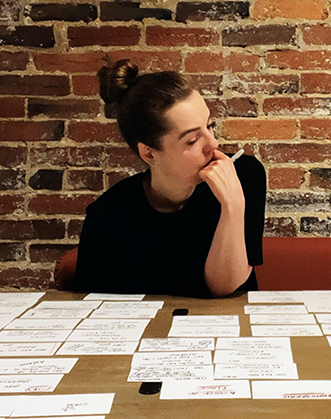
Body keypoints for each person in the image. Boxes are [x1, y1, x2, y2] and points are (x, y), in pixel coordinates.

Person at [74, 60, 266, 298]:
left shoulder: (244, 175)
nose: (213, 144)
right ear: (149, 153)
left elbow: (225, 286)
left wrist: (233, 206)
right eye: (193, 140)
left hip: (230, 329)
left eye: (210, 126)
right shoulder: (108, 215)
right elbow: (90, 308)